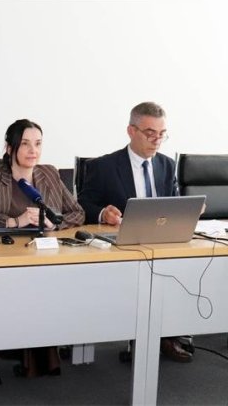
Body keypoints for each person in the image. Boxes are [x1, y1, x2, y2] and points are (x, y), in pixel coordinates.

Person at [0, 119, 85, 385]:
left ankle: (36, 350)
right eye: (26, 144)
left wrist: (53, 223)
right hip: (1, 258)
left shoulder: (49, 174)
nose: (33, 151)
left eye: (38, 144)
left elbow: (77, 212)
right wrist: (15, 221)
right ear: (10, 148)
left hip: (42, 256)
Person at [78, 101, 192, 363]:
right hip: (123, 248)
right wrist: (102, 213)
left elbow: (173, 202)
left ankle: (166, 335)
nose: (157, 140)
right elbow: (82, 205)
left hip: (162, 245)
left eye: (162, 134)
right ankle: (141, 340)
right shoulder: (105, 166)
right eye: (150, 133)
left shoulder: (166, 165)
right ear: (131, 131)